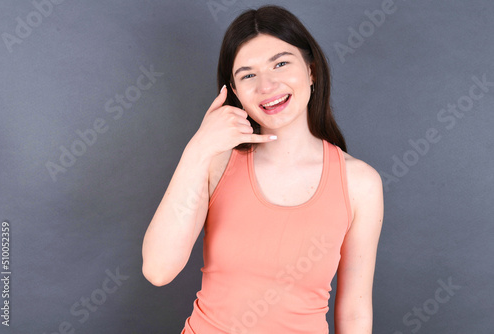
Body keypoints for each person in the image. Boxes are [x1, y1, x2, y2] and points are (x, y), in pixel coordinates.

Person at [142, 5, 384, 334]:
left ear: (311, 71)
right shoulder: (216, 161)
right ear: (235, 92)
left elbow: (355, 313)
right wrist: (198, 147)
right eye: (248, 74)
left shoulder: (360, 183)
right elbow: (158, 270)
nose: (266, 85)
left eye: (281, 63)